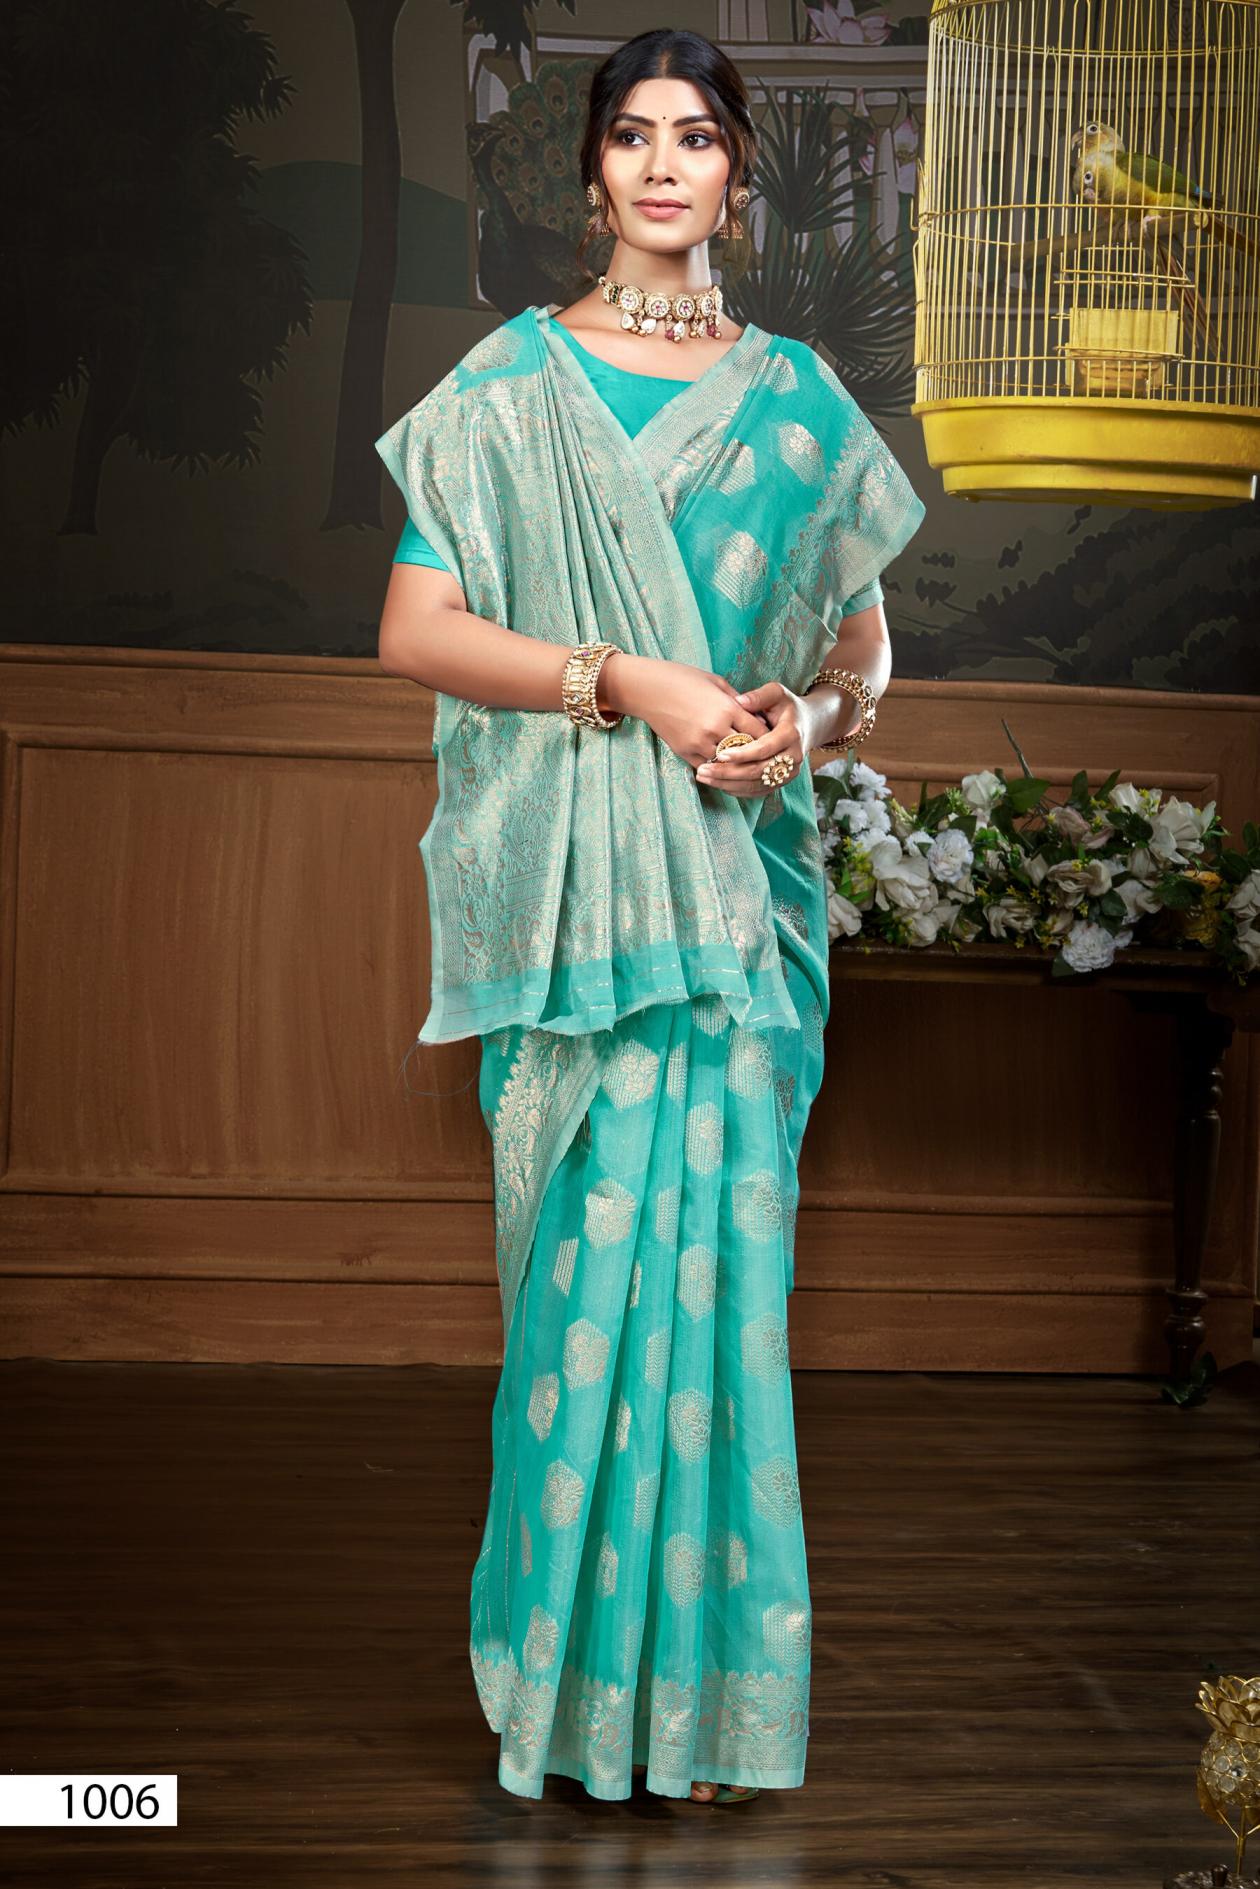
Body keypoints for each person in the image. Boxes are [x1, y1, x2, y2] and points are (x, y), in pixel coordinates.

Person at [375, 26, 925, 1807]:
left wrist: (799, 726)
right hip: (580, 918)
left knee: (723, 1306)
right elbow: (415, 631)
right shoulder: (510, 387)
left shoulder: (798, 401)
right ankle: (563, 1704)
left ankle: (701, 1717)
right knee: (586, 1301)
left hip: (735, 908)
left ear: (737, 176)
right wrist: (630, 681)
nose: (665, 164)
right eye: (633, 134)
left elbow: (863, 654)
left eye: (698, 136)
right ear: (594, 172)